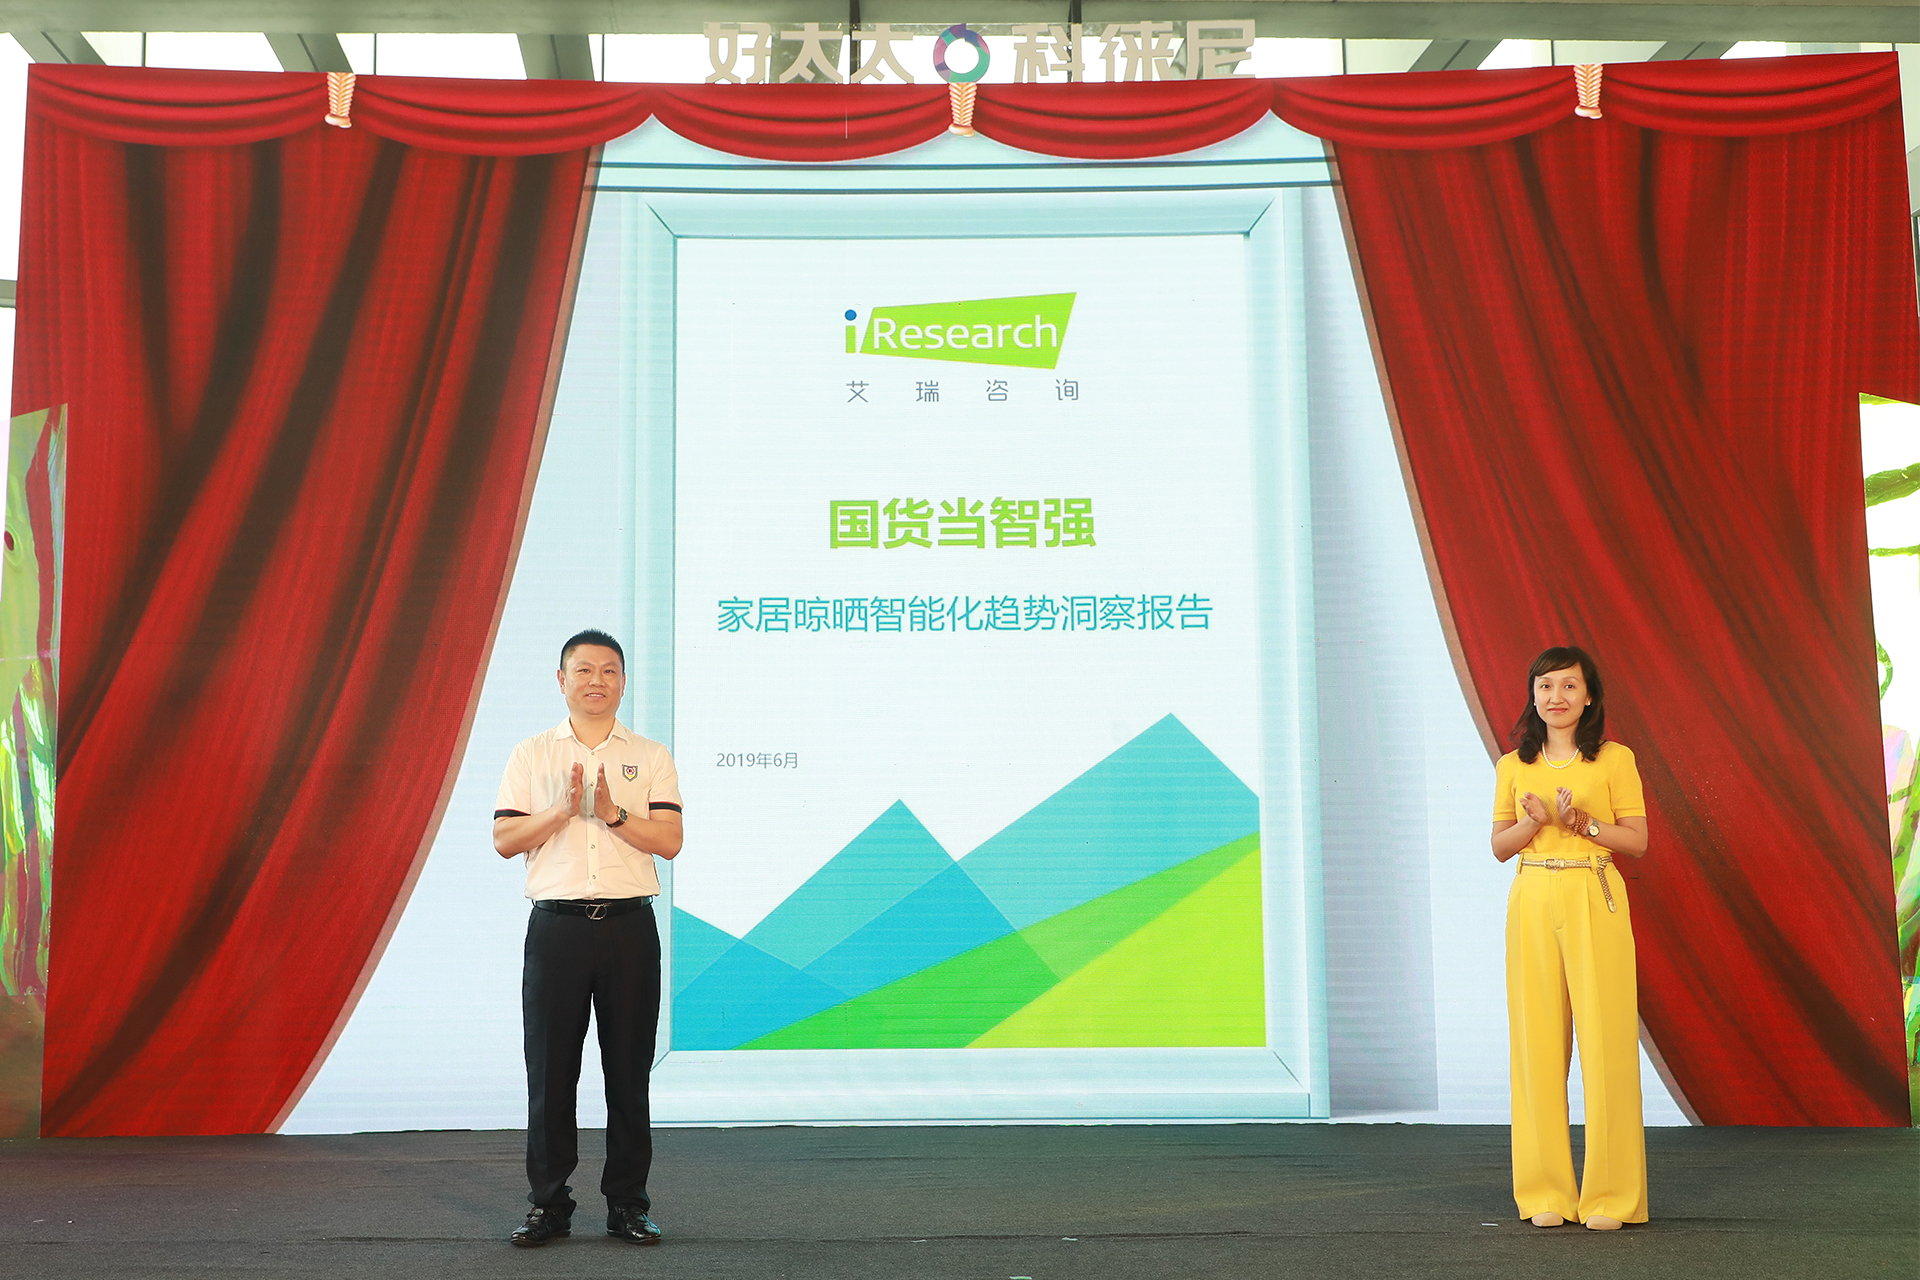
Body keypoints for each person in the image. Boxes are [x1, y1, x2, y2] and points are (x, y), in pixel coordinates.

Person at [492, 629, 684, 1247]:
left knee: (628, 1073)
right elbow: (505, 840)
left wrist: (613, 814)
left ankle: (628, 1204)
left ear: (623, 682)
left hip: (629, 929)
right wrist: (563, 810)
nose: (596, 680)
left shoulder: (650, 755)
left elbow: (670, 841)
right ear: (562, 680)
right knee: (551, 1073)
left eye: (608, 670)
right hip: (558, 930)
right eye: (583, 670)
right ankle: (549, 1206)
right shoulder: (531, 754)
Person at [1490, 645, 1649, 1230]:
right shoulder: (1513, 765)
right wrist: (1534, 822)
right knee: (1536, 1045)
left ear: (1589, 696)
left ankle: (1611, 1197)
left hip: (1594, 889)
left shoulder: (1614, 759)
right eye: (1545, 686)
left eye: (1568, 686)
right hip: (1532, 895)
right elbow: (1499, 847)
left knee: (1607, 1043)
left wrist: (1582, 823)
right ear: (1533, 696)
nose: (1555, 696)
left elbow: (1637, 842)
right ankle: (1545, 1194)